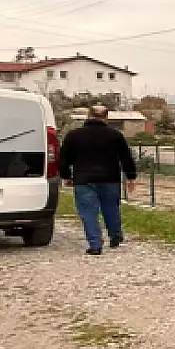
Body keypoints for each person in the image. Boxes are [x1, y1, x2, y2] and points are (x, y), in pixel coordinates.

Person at [58, 104, 137, 256]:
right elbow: (126, 157)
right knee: (111, 208)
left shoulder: (73, 135)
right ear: (106, 117)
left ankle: (95, 244)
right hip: (110, 178)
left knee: (88, 212)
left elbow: (64, 159)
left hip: (83, 179)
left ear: (88, 116)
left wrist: (66, 176)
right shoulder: (115, 135)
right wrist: (131, 176)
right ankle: (115, 237)